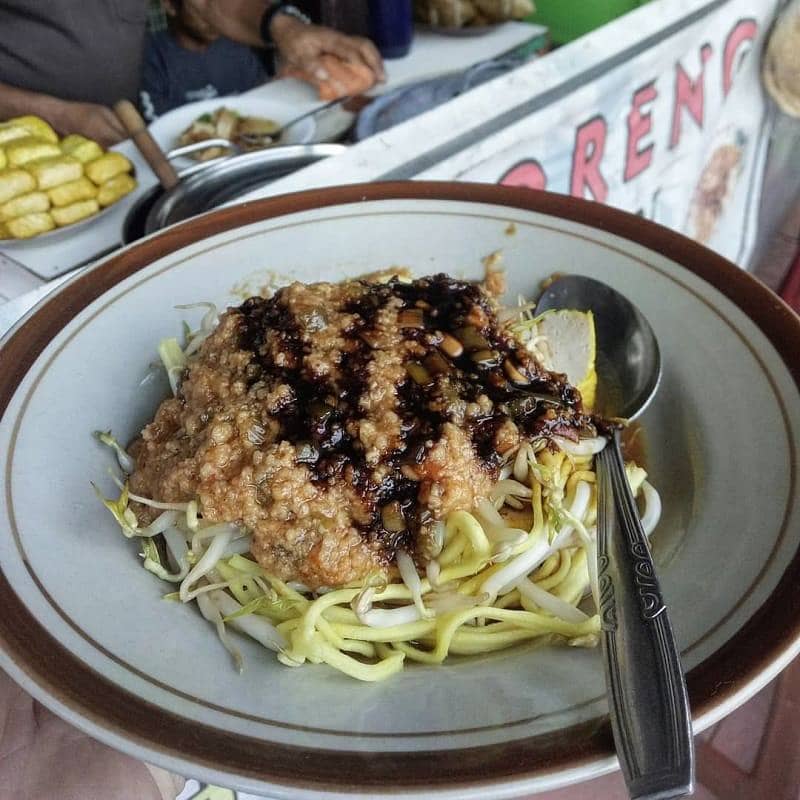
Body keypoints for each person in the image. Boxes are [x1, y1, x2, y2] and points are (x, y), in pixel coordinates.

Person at [0, 0, 384, 146]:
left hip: (116, 145)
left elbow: (209, 4)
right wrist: (56, 114)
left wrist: (285, 28)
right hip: (17, 152)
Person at [140, 0, 270, 121]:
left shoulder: (237, 44)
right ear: (169, 4)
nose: (213, 14)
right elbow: (158, 132)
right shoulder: (151, 57)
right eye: (203, 3)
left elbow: (263, 103)